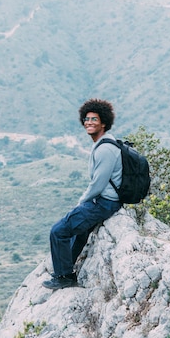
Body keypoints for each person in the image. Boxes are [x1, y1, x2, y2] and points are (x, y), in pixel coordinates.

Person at [42, 98, 123, 290]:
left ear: (104, 122)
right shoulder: (104, 144)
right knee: (79, 230)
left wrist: (81, 202)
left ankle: (64, 276)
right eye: (86, 119)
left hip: (105, 202)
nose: (89, 122)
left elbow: (98, 184)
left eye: (94, 119)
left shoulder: (105, 149)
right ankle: (67, 268)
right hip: (105, 201)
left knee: (58, 231)